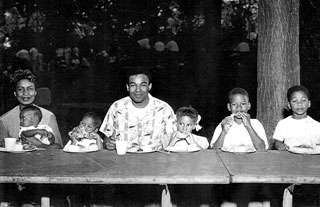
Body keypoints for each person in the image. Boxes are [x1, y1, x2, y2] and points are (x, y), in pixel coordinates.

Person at [100, 67, 175, 151]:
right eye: (133, 85)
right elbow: (106, 141)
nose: (138, 90)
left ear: (149, 86)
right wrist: (109, 144)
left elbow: (174, 142)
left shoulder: (164, 109)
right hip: (123, 161)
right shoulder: (117, 108)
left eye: (143, 85)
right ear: (127, 87)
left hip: (156, 161)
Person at [0, 69, 63, 148]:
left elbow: (59, 147)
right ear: (15, 94)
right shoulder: (5, 120)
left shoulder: (49, 116)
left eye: (30, 89)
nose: (25, 93)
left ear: (35, 92)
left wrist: (41, 145)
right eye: (20, 89)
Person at [273, 85, 320, 150]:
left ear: (309, 103)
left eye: (303, 100)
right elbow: (277, 142)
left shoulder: (316, 125)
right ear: (289, 105)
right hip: (289, 157)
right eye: (295, 101)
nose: (299, 104)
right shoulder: (283, 124)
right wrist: (280, 146)